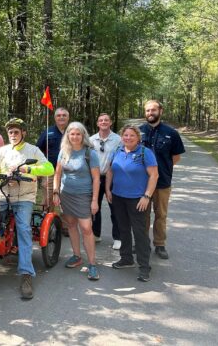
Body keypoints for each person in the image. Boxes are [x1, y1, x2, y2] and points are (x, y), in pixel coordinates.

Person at [0, 118, 54, 300]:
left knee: (24, 230)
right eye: (10, 132)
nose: (12, 135)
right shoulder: (2, 151)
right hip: (3, 195)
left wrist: (28, 169)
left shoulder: (33, 150)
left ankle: (26, 274)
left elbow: (49, 168)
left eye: (16, 132)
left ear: (23, 133)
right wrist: (0, 179)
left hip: (24, 198)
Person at [105, 125, 158, 282]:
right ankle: (126, 258)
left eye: (132, 135)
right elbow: (110, 171)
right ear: (122, 137)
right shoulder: (118, 151)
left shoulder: (145, 153)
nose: (128, 138)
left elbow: (154, 176)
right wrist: (108, 189)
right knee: (123, 230)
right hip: (118, 197)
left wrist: (147, 196)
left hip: (138, 199)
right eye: (125, 135)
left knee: (140, 233)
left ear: (138, 138)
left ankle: (144, 267)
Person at [53, 122, 101, 281]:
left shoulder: (89, 153)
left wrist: (94, 200)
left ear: (83, 136)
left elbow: (96, 178)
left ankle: (92, 264)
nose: (74, 137)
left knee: (86, 228)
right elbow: (57, 174)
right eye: (71, 134)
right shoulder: (63, 152)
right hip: (66, 195)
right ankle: (77, 256)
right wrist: (56, 192)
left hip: (83, 195)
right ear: (67, 135)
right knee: (71, 225)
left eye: (78, 134)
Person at [139, 100, 185, 260]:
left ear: (160, 111)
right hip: (141, 183)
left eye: (153, 110)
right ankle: (142, 243)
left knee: (161, 214)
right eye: (147, 111)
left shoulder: (171, 133)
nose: (150, 113)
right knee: (142, 215)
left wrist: (158, 170)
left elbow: (176, 157)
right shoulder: (139, 132)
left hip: (163, 182)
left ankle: (159, 244)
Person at [89, 113, 122, 249]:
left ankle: (118, 237)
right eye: (101, 120)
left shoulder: (118, 139)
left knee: (115, 207)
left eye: (106, 120)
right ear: (97, 123)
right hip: (95, 178)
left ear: (110, 123)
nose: (103, 122)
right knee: (94, 206)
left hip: (112, 177)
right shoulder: (91, 140)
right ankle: (96, 234)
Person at [36, 107, 70, 231]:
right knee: (48, 199)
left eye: (64, 115)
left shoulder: (73, 132)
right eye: (59, 115)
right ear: (55, 118)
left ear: (68, 117)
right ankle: (46, 225)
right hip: (50, 171)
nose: (61, 117)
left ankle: (65, 226)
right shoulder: (48, 132)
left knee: (66, 199)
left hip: (69, 172)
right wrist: (39, 169)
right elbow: (37, 150)